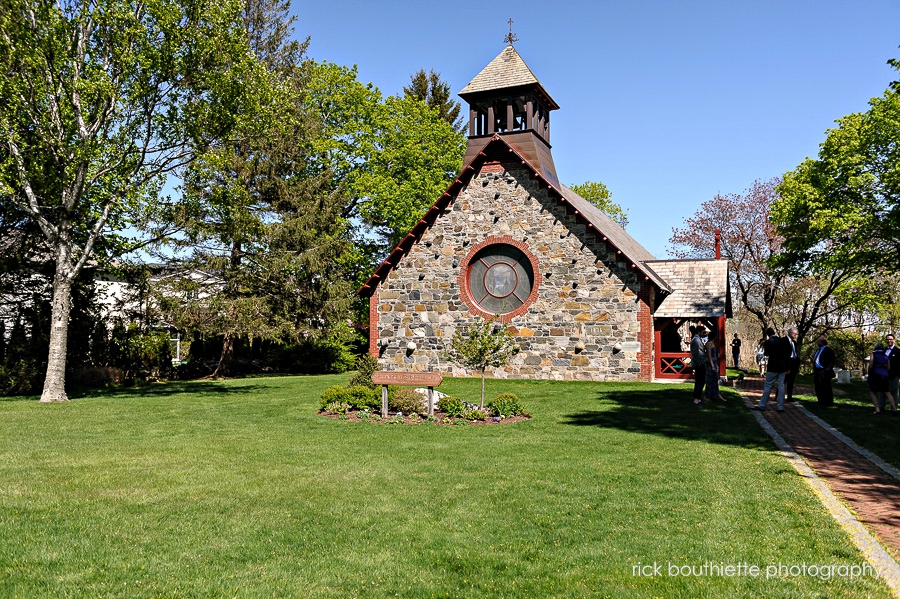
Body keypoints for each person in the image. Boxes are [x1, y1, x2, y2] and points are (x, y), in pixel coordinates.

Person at [751, 327, 790, 412]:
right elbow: (787, 354)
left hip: (772, 366)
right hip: (782, 367)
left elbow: (766, 353)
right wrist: (787, 367)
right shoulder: (782, 341)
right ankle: (780, 406)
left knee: (768, 386)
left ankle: (762, 405)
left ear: (768, 335)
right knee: (781, 386)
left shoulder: (769, 342)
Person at [868, 342, 896, 415]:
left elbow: (871, 365)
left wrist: (869, 371)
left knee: (872, 391)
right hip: (884, 374)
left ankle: (877, 409)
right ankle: (894, 409)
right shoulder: (885, 355)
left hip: (875, 373)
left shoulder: (873, 354)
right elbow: (888, 367)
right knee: (887, 391)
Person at [812, 336, 835, 406]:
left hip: (824, 371)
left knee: (825, 387)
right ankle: (820, 401)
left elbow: (832, 361)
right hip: (817, 371)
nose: (817, 343)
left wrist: (827, 369)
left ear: (822, 342)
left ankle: (828, 402)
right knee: (818, 386)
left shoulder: (829, 350)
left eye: (818, 342)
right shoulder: (818, 350)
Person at [880, 333, 900, 412]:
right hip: (883, 375)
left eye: (891, 339)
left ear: (894, 340)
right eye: (887, 339)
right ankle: (881, 407)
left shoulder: (898, 351)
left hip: (893, 375)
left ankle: (893, 408)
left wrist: (896, 375)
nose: (889, 341)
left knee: (894, 392)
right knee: (882, 392)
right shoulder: (883, 351)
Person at [691, 324, 708, 405]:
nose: (704, 334)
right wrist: (700, 363)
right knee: (701, 381)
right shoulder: (696, 340)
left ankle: (697, 397)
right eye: (703, 332)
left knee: (699, 381)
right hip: (699, 364)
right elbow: (696, 353)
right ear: (698, 332)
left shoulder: (698, 339)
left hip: (700, 363)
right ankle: (696, 399)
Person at [783, 327, 801, 403]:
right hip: (786, 363)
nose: (796, 336)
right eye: (795, 334)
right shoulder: (783, 341)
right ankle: (778, 396)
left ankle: (789, 396)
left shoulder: (794, 343)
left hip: (794, 363)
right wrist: (786, 366)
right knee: (783, 381)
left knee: (791, 381)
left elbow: (795, 353)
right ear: (791, 333)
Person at [705, 335, 725, 401]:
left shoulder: (712, 343)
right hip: (711, 364)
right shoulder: (709, 344)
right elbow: (709, 356)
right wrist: (712, 365)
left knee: (715, 380)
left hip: (714, 362)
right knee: (710, 380)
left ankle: (716, 394)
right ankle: (708, 396)